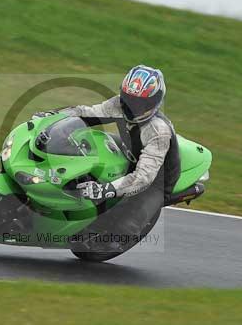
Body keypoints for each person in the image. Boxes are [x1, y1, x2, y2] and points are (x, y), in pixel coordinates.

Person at [40, 65, 180, 252]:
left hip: (156, 178)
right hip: (128, 151)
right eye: (129, 100)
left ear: (155, 101)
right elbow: (87, 114)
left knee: (126, 226)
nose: (133, 107)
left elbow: (143, 177)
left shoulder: (158, 131)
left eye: (140, 103)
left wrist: (106, 190)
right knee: (83, 144)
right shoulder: (119, 104)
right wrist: (55, 116)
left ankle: (111, 241)